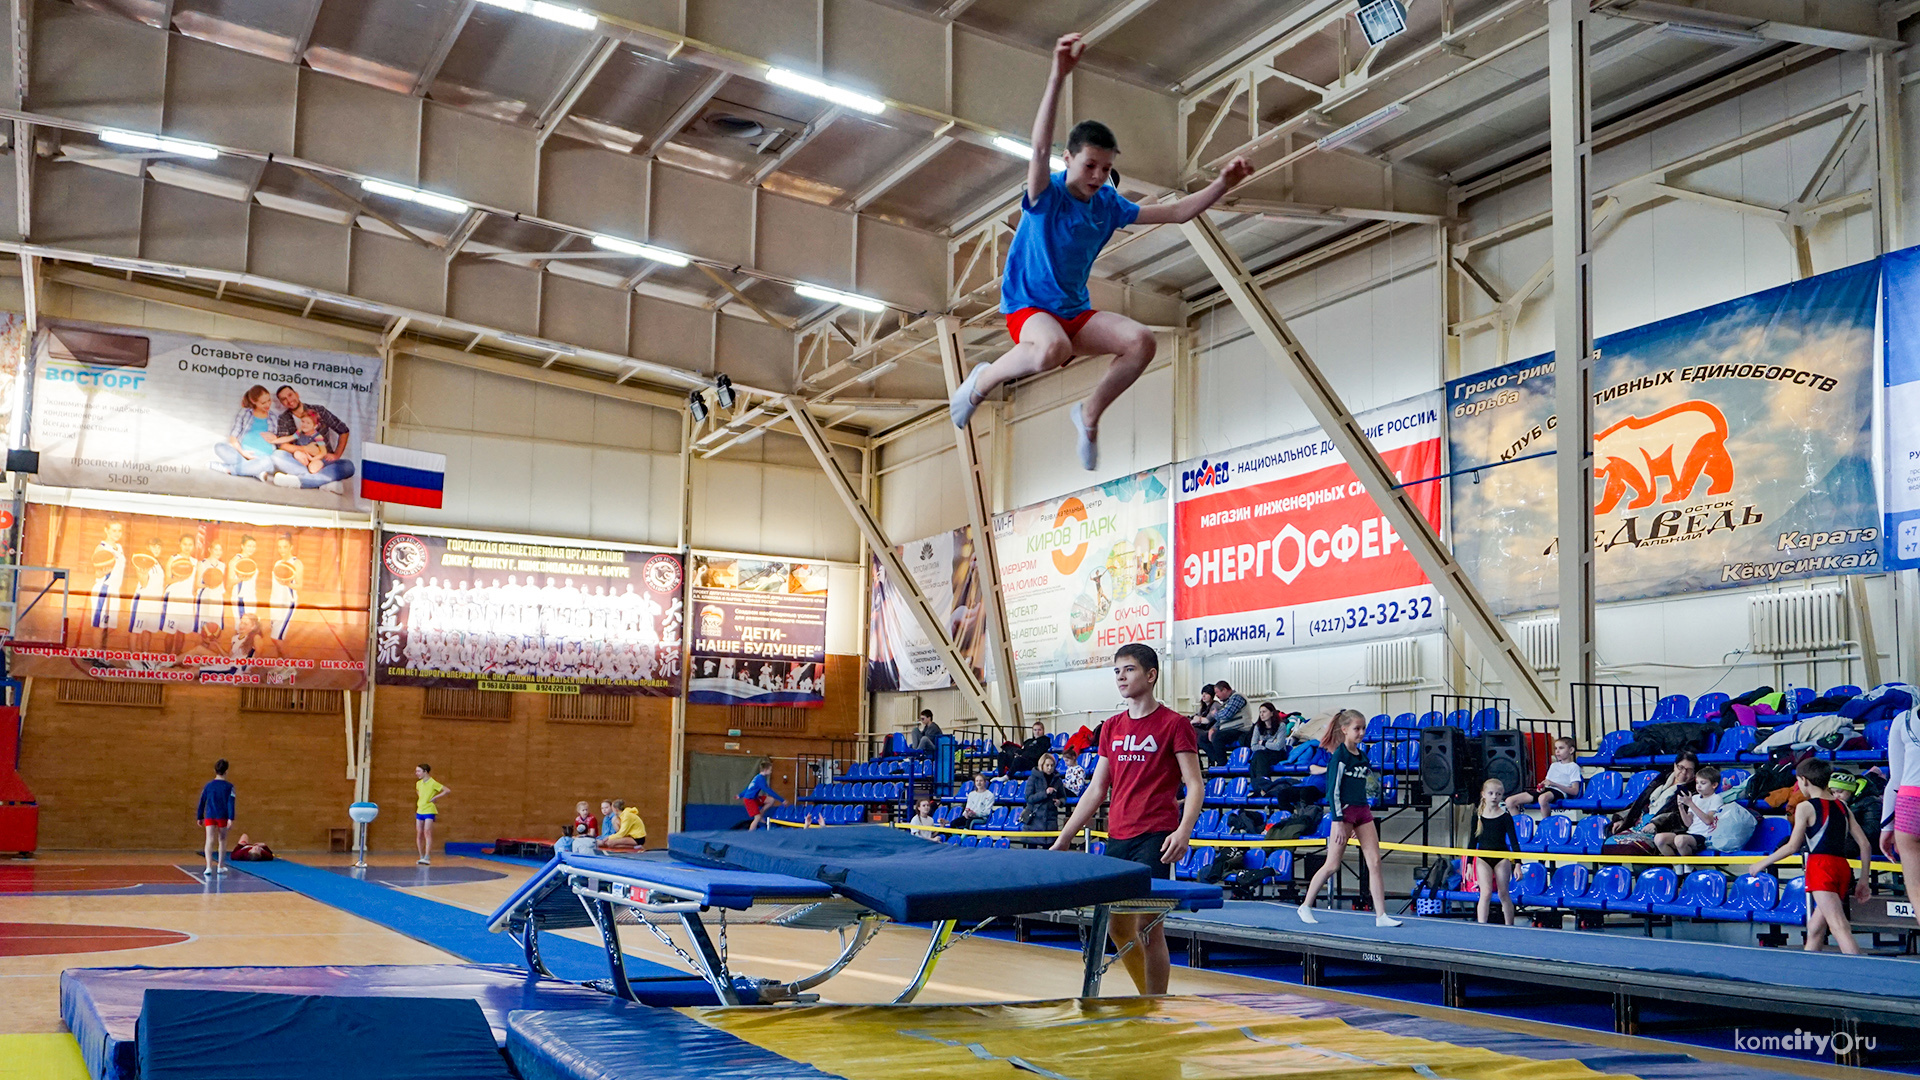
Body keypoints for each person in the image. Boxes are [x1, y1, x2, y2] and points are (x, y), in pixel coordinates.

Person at [947, 33, 1252, 470]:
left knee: (1141, 342)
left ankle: (1088, 416)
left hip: (1072, 310)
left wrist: (1223, 183)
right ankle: (980, 383)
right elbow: (1036, 148)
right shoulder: (1046, 195)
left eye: (1105, 168)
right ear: (1067, 158)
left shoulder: (1109, 205)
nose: (1097, 175)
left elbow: (1180, 212)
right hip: (1029, 307)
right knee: (1053, 350)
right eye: (1089, 165)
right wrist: (1057, 75)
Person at [1050, 643, 1204, 995]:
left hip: (1156, 836)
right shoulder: (1112, 728)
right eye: (1117, 670)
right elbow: (1095, 789)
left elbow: (1194, 784)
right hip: (1118, 836)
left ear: (1150, 675)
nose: (1121, 676)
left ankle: (1157, 1004)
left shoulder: (1174, 724)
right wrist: (1064, 838)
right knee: (1117, 928)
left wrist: (1184, 830)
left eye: (1129, 669)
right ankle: (1146, 997)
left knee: (1149, 926)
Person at [1748, 758, 1872, 954]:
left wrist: (1762, 863)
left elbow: (1792, 846)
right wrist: (1864, 879)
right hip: (1841, 867)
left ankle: (1862, 976)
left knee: (1839, 926)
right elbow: (1864, 844)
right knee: (1815, 928)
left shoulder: (1805, 807)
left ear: (1804, 780)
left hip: (1821, 867)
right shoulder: (1843, 806)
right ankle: (1808, 968)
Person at [1297, 709, 1401, 927]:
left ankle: (1381, 915)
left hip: (1362, 812)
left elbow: (1362, 787)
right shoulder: (1339, 757)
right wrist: (1338, 820)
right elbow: (1333, 790)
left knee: (1374, 861)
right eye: (1357, 728)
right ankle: (1305, 905)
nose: (1361, 732)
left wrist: (1358, 820)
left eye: (1363, 728)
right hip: (1343, 813)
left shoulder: (1362, 757)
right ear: (1344, 730)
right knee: (1332, 864)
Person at [267, 386, 355, 491]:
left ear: (297, 394)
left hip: (323, 460)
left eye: (290, 395)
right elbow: (282, 445)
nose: (289, 400)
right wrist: (304, 449)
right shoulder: (284, 418)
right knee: (277, 455)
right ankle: (324, 482)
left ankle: (301, 481)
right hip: (301, 461)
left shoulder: (319, 411)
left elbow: (343, 430)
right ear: (281, 403)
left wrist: (336, 455)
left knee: (348, 466)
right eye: (284, 399)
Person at [1880, 705, 1920, 930]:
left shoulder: (1903, 720)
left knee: (1916, 888)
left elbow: (1894, 780)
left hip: (1909, 806)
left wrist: (1887, 826)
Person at [1469, 778, 1521, 925]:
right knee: (1485, 893)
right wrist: (1467, 864)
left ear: (1502, 796)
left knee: (1503, 894)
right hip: (1483, 858)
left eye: (1498, 794)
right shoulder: (1477, 816)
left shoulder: (1505, 817)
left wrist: (1518, 864)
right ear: (1483, 794)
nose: (1494, 797)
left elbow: (1514, 842)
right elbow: (1472, 841)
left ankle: (1510, 926)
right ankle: (1482, 925)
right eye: (1491, 793)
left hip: (1501, 857)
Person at [211, 385, 283, 481]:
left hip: (264, 458)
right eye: (263, 402)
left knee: (268, 462)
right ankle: (255, 472)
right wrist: (243, 453)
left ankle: (229, 469)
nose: (268, 404)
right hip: (242, 456)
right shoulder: (245, 413)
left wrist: (275, 437)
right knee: (219, 447)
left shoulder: (274, 417)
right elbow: (233, 436)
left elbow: (279, 440)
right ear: (254, 402)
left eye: (269, 400)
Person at [1505, 736, 1582, 815]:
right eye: (1556, 748)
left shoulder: (1574, 767)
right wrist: (1542, 786)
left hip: (1560, 792)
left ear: (1571, 750)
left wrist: (1555, 784)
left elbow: (1575, 791)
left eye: (1561, 748)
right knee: (1510, 801)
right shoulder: (1554, 765)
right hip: (1547, 790)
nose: (1557, 751)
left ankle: (1546, 824)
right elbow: (1546, 782)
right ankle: (1519, 825)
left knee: (1542, 798)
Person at [196, 759, 236, 876]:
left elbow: (202, 801)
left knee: (209, 839)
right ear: (226, 771)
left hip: (210, 815)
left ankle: (208, 866)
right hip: (222, 815)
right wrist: (231, 818)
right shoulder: (229, 787)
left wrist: (200, 816)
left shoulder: (208, 786)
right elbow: (231, 802)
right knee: (222, 840)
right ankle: (220, 865)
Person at [1675, 765, 1723, 857]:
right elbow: (1688, 823)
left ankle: (1688, 867)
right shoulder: (1695, 798)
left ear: (1714, 785)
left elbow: (1708, 821)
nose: (1699, 786)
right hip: (1691, 833)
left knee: (1680, 840)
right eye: (1697, 783)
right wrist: (1680, 807)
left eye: (1703, 783)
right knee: (1660, 839)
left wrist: (1690, 804)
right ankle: (1677, 867)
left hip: (1704, 836)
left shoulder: (1716, 799)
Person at [1197, 681, 1249, 765]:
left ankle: (1222, 765)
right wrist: (1213, 728)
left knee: (1218, 737)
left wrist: (1215, 714)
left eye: (1217, 692)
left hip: (1239, 729)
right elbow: (1220, 719)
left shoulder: (1237, 697)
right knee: (1201, 738)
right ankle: (1213, 759)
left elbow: (1226, 715)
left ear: (1224, 690)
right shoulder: (1226, 702)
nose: (1216, 695)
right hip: (1226, 729)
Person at [1246, 703, 1289, 798]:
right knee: (1257, 757)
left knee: (1258, 757)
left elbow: (1278, 746)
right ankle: (1263, 787)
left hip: (1278, 754)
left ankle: (1258, 787)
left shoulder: (1281, 726)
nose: (1261, 714)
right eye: (1260, 712)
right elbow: (1253, 746)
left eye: (1264, 712)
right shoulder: (1257, 727)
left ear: (1272, 713)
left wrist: (1263, 743)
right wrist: (1270, 744)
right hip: (1263, 754)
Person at [1022, 752, 1066, 838]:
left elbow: (1063, 797)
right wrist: (1045, 793)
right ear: (1041, 765)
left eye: (1052, 765)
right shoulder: (1033, 778)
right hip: (1035, 820)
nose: (1050, 768)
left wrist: (1059, 802)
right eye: (1047, 765)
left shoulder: (1057, 780)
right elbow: (1029, 798)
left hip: (1050, 820)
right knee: (1032, 849)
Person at [413, 763, 448, 865]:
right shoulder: (418, 783)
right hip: (420, 809)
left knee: (427, 832)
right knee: (419, 833)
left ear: (425, 772)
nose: (417, 773)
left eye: (419, 771)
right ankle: (421, 856)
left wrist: (435, 797)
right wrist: (421, 798)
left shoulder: (433, 783)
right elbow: (418, 791)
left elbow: (446, 790)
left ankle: (427, 856)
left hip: (429, 810)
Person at [739, 759, 785, 830]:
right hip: (749, 800)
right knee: (756, 818)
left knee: (771, 800)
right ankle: (750, 834)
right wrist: (782, 800)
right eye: (770, 770)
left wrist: (740, 795)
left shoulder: (758, 777)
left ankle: (760, 814)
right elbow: (769, 791)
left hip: (754, 798)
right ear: (766, 770)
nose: (771, 771)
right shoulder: (760, 779)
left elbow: (748, 788)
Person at [282, 409, 332, 473]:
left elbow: (323, 452)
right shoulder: (299, 432)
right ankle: (303, 470)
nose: (304, 425)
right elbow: (288, 438)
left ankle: (313, 471)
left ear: (315, 426)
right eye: (303, 421)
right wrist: (274, 440)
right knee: (297, 454)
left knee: (313, 468)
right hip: (304, 456)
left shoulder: (317, 436)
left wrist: (313, 459)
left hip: (315, 458)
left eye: (308, 423)